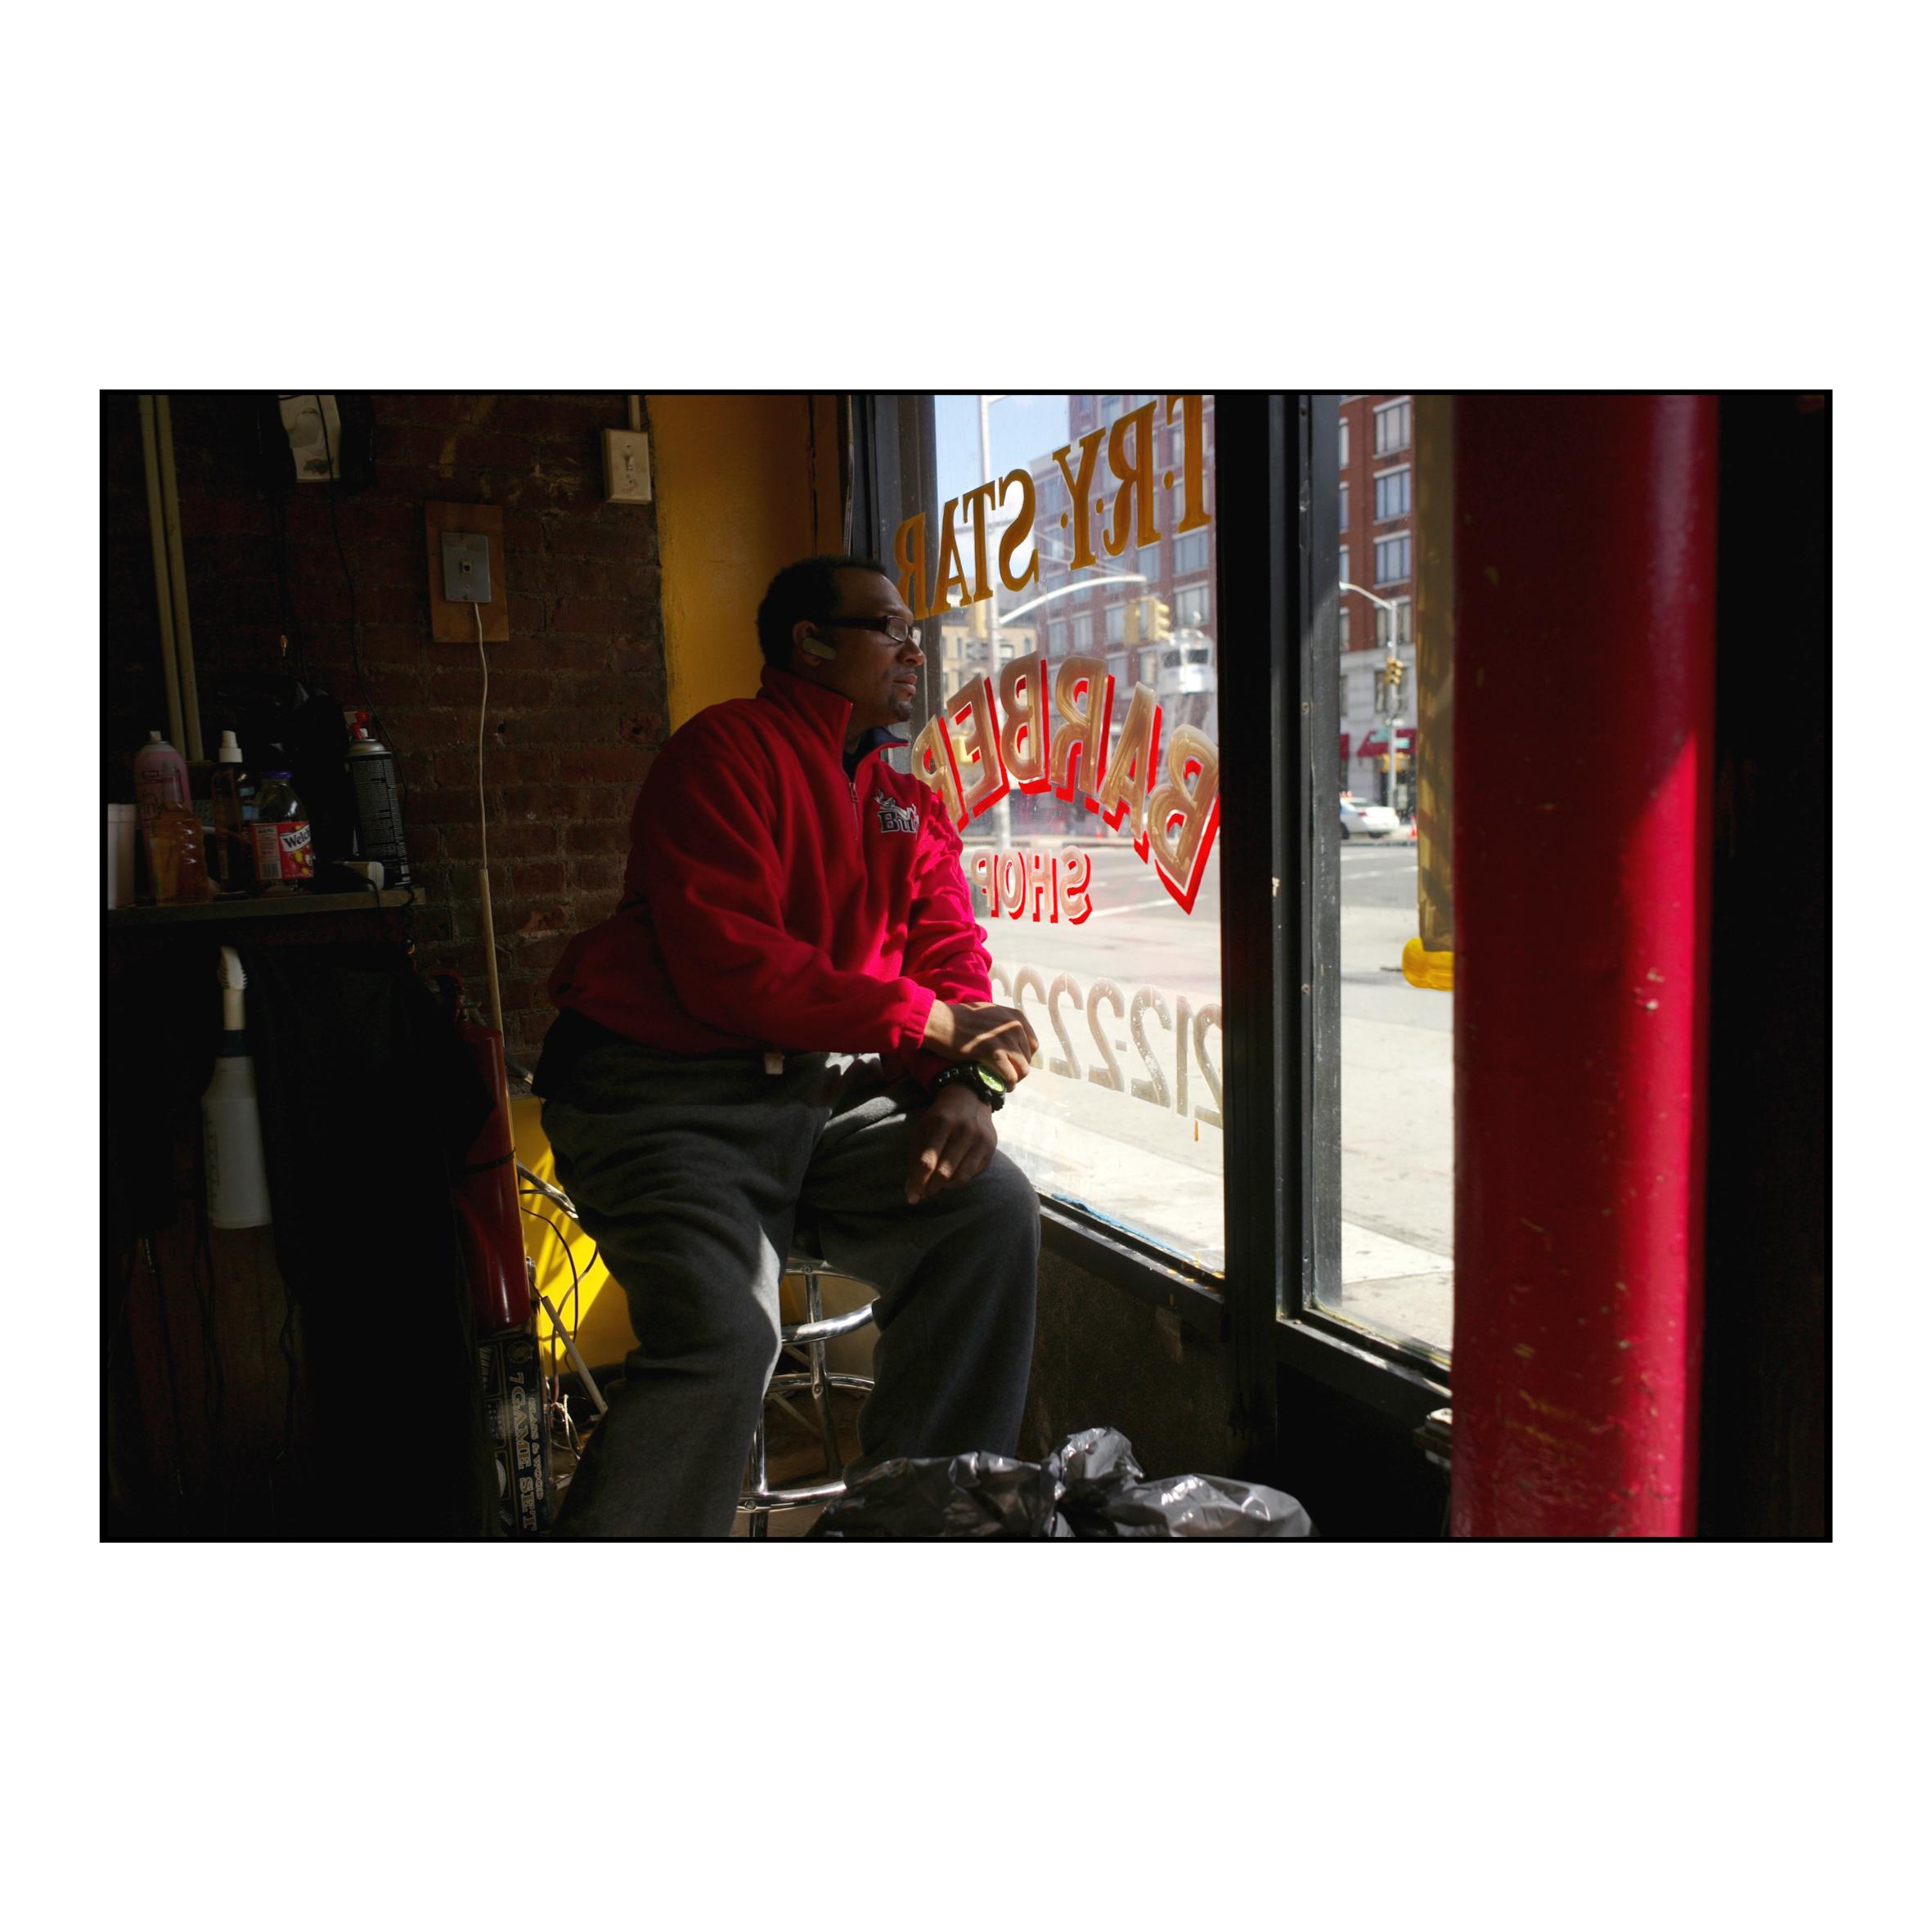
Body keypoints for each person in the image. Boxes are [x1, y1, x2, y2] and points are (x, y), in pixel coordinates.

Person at [533, 555, 1042, 1537]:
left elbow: (951, 958)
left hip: (810, 1099)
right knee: (726, 1337)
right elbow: (732, 967)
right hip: (661, 1101)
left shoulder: (908, 801)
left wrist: (965, 1085)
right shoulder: (721, 751)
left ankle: (923, 1531)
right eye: (887, 628)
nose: (913, 650)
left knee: (988, 1210)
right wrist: (932, 1025)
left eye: (912, 631)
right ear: (809, 642)